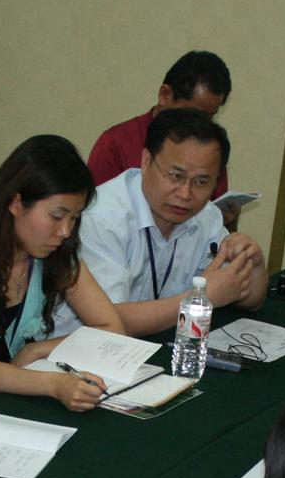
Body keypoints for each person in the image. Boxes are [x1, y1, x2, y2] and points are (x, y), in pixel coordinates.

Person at [0, 134, 124, 411]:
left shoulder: (55, 256)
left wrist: (37, 349)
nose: (65, 231)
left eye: (74, 218)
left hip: (2, 404)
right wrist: (53, 384)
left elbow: (111, 328)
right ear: (15, 202)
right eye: (57, 216)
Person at [67, 109, 267, 338]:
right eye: (175, 176)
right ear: (146, 161)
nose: (185, 194)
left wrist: (255, 264)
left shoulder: (207, 216)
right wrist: (200, 299)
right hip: (83, 349)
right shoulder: (100, 218)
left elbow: (249, 299)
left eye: (201, 182)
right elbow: (108, 322)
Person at [86, 51, 242, 226]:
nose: (199, 124)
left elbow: (214, 219)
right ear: (165, 95)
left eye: (209, 117)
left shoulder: (209, 149)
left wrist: (227, 222)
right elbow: (93, 215)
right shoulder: (115, 143)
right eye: (175, 175)